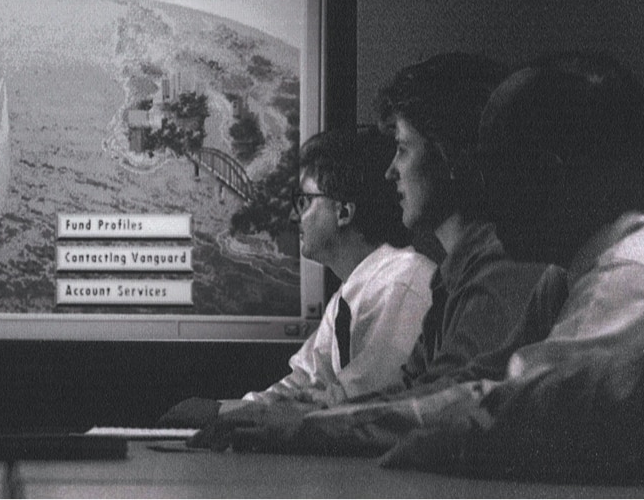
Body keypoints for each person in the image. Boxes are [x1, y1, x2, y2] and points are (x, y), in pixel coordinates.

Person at [197, 53, 566, 452]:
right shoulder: (451, 275)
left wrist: (309, 425)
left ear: (451, 156)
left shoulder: (501, 267)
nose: (391, 171)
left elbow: (447, 403)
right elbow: (417, 393)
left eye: (403, 149)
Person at [377, 52, 644, 482]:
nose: (480, 187)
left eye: (495, 163)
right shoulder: (565, 274)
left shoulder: (630, 277)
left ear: (552, 174)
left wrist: (308, 428)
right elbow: (473, 386)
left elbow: (505, 412)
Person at [160, 126, 435, 427]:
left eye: (304, 201)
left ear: (343, 212)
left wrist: (223, 415)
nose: (294, 216)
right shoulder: (349, 296)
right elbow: (302, 385)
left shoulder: (402, 283)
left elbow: (361, 405)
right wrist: (220, 411)